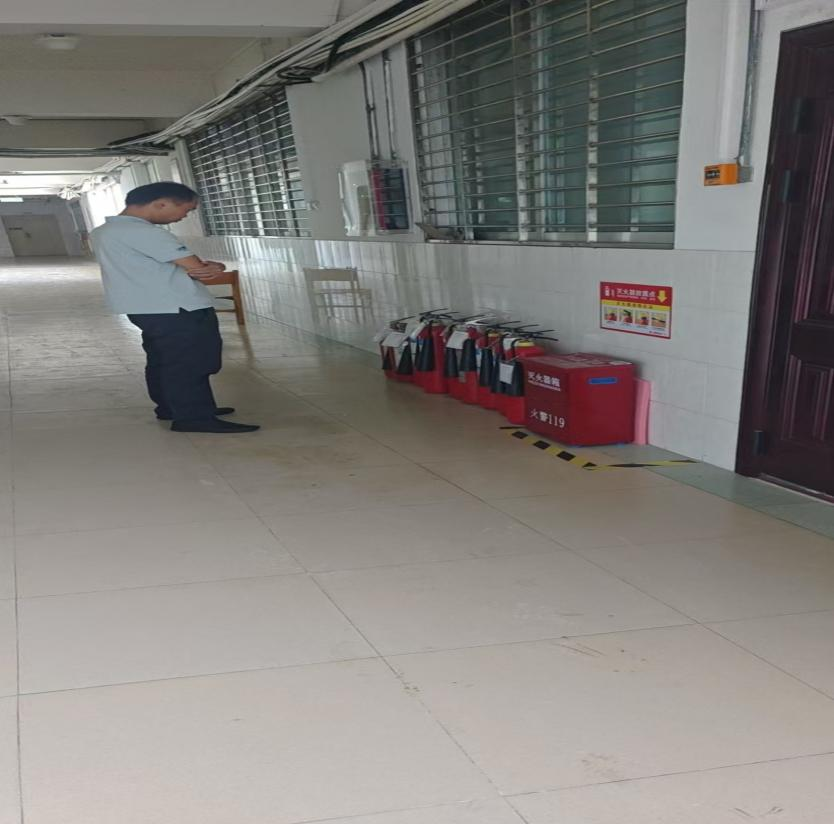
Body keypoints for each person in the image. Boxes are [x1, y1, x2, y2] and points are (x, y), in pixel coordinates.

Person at [89, 181, 260, 433]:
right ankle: (194, 417)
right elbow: (199, 269)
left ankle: (172, 407)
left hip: (146, 306)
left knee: (163, 360)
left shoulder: (104, 231)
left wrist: (197, 267)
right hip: (176, 307)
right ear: (161, 204)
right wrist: (215, 267)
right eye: (186, 210)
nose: (183, 216)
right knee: (190, 362)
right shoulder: (144, 232)